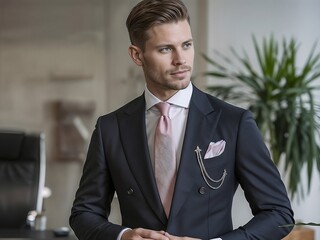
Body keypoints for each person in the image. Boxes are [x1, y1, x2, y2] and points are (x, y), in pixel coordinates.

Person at [69, 0, 294, 239]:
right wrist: (124, 236)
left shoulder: (234, 122)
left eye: (186, 45)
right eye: (165, 49)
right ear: (137, 55)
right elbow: (84, 213)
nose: (181, 60)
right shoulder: (110, 128)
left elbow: (278, 214)